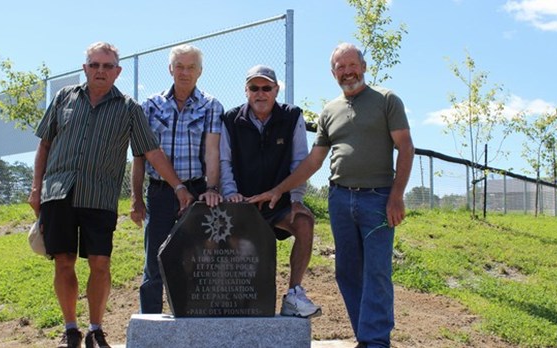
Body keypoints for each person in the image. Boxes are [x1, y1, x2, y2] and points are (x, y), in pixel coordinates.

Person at [248, 43, 414, 347]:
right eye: (341, 67)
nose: (347, 71)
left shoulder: (386, 100)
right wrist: (279, 189)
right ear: (333, 72)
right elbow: (314, 161)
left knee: (376, 272)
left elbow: (405, 146)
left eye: (352, 65)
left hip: (378, 199)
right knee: (347, 272)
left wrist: (396, 195)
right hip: (339, 200)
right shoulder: (330, 110)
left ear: (363, 66)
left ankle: (375, 341)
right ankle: (365, 337)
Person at [29, 42, 194, 348]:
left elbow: (152, 151)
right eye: (94, 65)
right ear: (85, 69)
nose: (100, 71)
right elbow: (45, 144)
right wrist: (36, 187)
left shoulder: (129, 108)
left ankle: (95, 329)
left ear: (117, 71)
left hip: (100, 197)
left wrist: (179, 186)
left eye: (107, 66)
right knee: (63, 262)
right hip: (58, 193)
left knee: (100, 264)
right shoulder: (64, 97)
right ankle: (71, 330)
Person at [220, 64, 322, 319]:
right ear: (246, 91)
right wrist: (232, 194)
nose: (260, 93)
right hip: (244, 205)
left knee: (305, 223)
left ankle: (294, 295)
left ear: (276, 90)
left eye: (267, 88)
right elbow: (224, 161)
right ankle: (233, 298)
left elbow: (300, 161)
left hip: (280, 204)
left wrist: (296, 199)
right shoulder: (230, 120)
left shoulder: (292, 116)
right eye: (254, 88)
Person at [130, 44, 224, 314]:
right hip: (159, 193)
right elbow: (140, 156)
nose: (185, 72)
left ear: (200, 71)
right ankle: (149, 324)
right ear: (170, 69)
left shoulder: (211, 105)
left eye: (191, 67)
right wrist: (136, 199)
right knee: (154, 261)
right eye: (179, 66)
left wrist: (212, 188)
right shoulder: (150, 106)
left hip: (195, 191)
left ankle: (191, 322)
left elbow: (212, 150)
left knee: (195, 259)